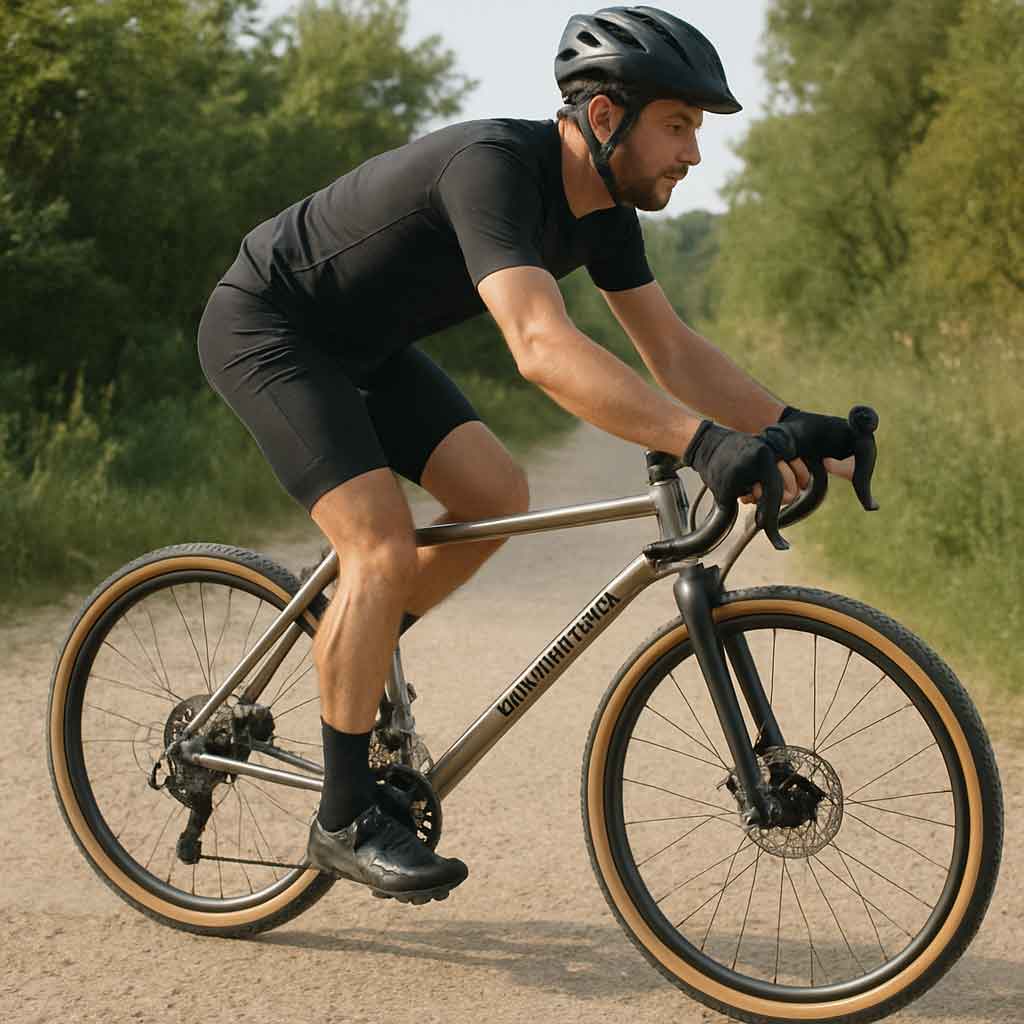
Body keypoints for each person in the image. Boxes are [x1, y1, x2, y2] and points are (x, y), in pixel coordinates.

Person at [196, 5, 861, 906]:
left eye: (695, 130)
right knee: (381, 548)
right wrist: (703, 444)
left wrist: (799, 427)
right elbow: (539, 346)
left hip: (368, 348)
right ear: (602, 118)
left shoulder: (605, 214)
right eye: (679, 125)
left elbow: (673, 351)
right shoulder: (495, 169)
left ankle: (350, 644)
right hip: (269, 327)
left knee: (495, 495)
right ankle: (343, 816)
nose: (693, 153)